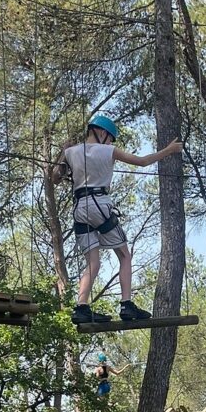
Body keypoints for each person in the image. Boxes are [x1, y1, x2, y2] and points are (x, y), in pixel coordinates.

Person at [53, 114, 183, 325]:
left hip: (79, 208)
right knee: (124, 255)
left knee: (93, 262)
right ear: (101, 132)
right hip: (99, 204)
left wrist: (63, 154)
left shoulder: (70, 152)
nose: (110, 142)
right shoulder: (108, 150)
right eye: (110, 138)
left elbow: (55, 178)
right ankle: (126, 304)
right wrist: (169, 150)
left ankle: (81, 307)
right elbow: (142, 162)